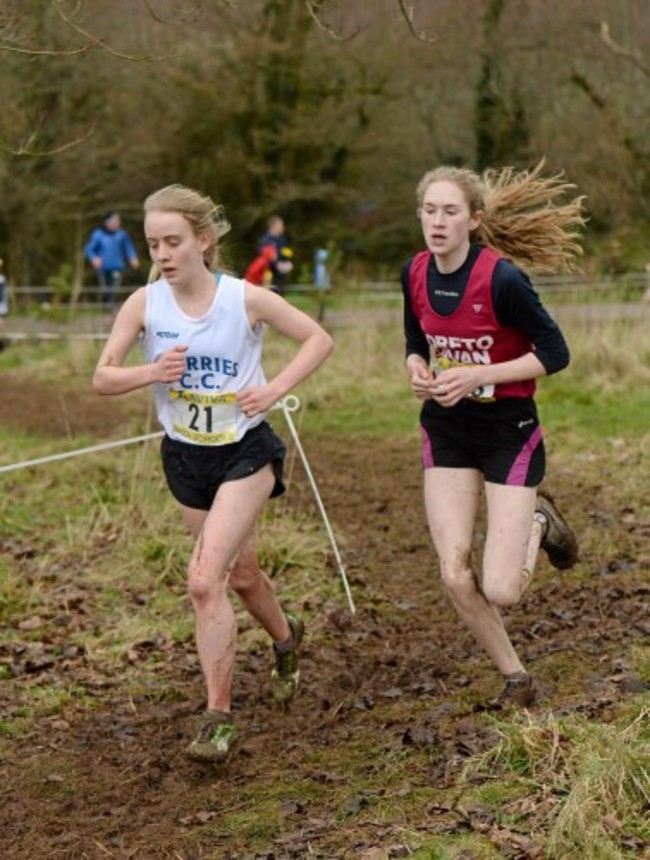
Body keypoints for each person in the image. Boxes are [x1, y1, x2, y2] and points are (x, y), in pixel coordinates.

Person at [93, 184, 333, 762]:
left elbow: (317, 339)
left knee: (205, 580)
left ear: (203, 240)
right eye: (153, 245)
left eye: (173, 241)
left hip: (245, 452)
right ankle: (285, 637)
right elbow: (103, 377)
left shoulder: (244, 298)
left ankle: (217, 719)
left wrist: (272, 388)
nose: (163, 255)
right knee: (242, 574)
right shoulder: (144, 304)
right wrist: (152, 371)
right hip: (185, 457)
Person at [402, 161, 585, 707]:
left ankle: (537, 519)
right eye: (429, 211)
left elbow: (556, 354)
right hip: (448, 429)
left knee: (501, 588)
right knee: (456, 574)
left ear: (473, 219)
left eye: (450, 211)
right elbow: (416, 336)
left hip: (509, 430)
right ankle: (516, 677)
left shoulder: (502, 279)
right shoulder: (413, 271)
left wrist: (480, 374)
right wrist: (416, 368)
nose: (438, 221)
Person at [84, 212, 140, 308]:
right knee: (105, 289)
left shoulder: (121, 235)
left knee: (114, 288)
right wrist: (94, 258)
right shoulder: (98, 235)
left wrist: (132, 257)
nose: (117, 223)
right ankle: (106, 307)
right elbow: (89, 249)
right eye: (114, 221)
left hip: (117, 267)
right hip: (102, 268)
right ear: (107, 223)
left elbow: (128, 248)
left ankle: (111, 307)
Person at [259, 215, 293, 294]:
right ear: (274, 226)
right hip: (269, 274)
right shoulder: (265, 240)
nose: (283, 227)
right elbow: (264, 258)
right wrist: (277, 265)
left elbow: (285, 253)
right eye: (281, 225)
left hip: (280, 274)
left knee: (281, 294)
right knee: (271, 295)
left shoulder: (282, 239)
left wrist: (287, 263)